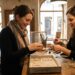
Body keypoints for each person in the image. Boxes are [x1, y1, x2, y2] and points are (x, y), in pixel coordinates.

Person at [0, 5, 43, 75]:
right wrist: (28, 49)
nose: (29, 23)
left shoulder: (22, 32)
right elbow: (8, 57)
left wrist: (35, 48)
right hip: (10, 71)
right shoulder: (5, 32)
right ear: (17, 17)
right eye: (27, 20)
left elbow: (23, 51)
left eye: (30, 21)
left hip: (21, 68)